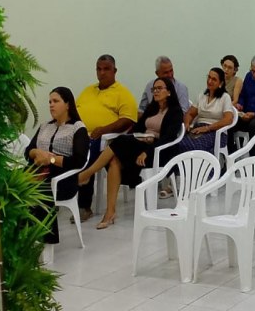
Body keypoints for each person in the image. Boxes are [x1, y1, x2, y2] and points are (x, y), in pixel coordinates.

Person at [78, 77, 183, 229]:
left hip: (159, 151)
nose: (156, 91)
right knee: (114, 160)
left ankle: (87, 174)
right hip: (142, 144)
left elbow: (169, 137)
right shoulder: (152, 109)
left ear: (169, 92)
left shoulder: (175, 112)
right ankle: (110, 212)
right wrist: (141, 137)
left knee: (120, 141)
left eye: (160, 88)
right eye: (154, 89)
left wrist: (147, 151)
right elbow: (137, 128)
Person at [75, 54, 138, 223]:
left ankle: (84, 206)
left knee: (85, 152)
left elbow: (128, 120)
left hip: (104, 139)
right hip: (80, 134)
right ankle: (56, 196)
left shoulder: (122, 93)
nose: (102, 73)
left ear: (114, 71)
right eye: (99, 69)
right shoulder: (88, 90)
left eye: (106, 69)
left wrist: (104, 130)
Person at [26, 87, 89, 244]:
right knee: (10, 185)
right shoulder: (45, 126)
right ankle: (21, 238)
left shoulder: (78, 128)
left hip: (63, 179)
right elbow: (28, 151)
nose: (51, 105)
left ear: (67, 104)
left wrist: (52, 160)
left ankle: (46, 242)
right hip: (38, 171)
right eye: (49, 102)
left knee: (38, 189)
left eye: (55, 101)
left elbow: (79, 160)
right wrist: (37, 153)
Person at [178, 68, 234, 152]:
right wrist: (187, 123)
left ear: (221, 83)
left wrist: (208, 128)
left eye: (214, 79)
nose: (210, 81)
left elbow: (228, 119)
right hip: (199, 128)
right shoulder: (202, 95)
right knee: (179, 144)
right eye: (209, 77)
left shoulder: (225, 97)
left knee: (195, 146)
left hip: (216, 131)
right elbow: (190, 113)